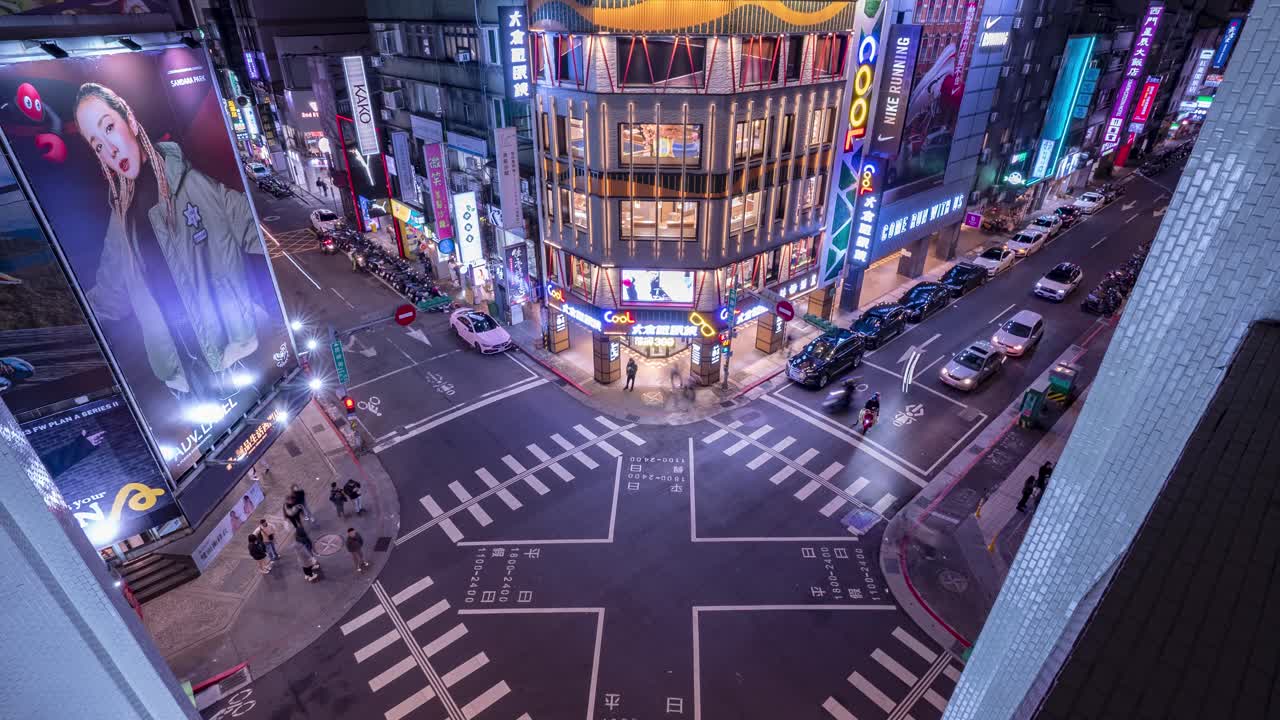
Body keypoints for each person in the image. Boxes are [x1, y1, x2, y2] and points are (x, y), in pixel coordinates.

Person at [73, 83, 268, 404]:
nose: (110, 148)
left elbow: (251, 228)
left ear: (130, 121)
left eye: (110, 127)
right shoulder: (120, 218)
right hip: (180, 376)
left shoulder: (193, 185)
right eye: (97, 144)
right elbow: (111, 296)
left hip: (233, 353)